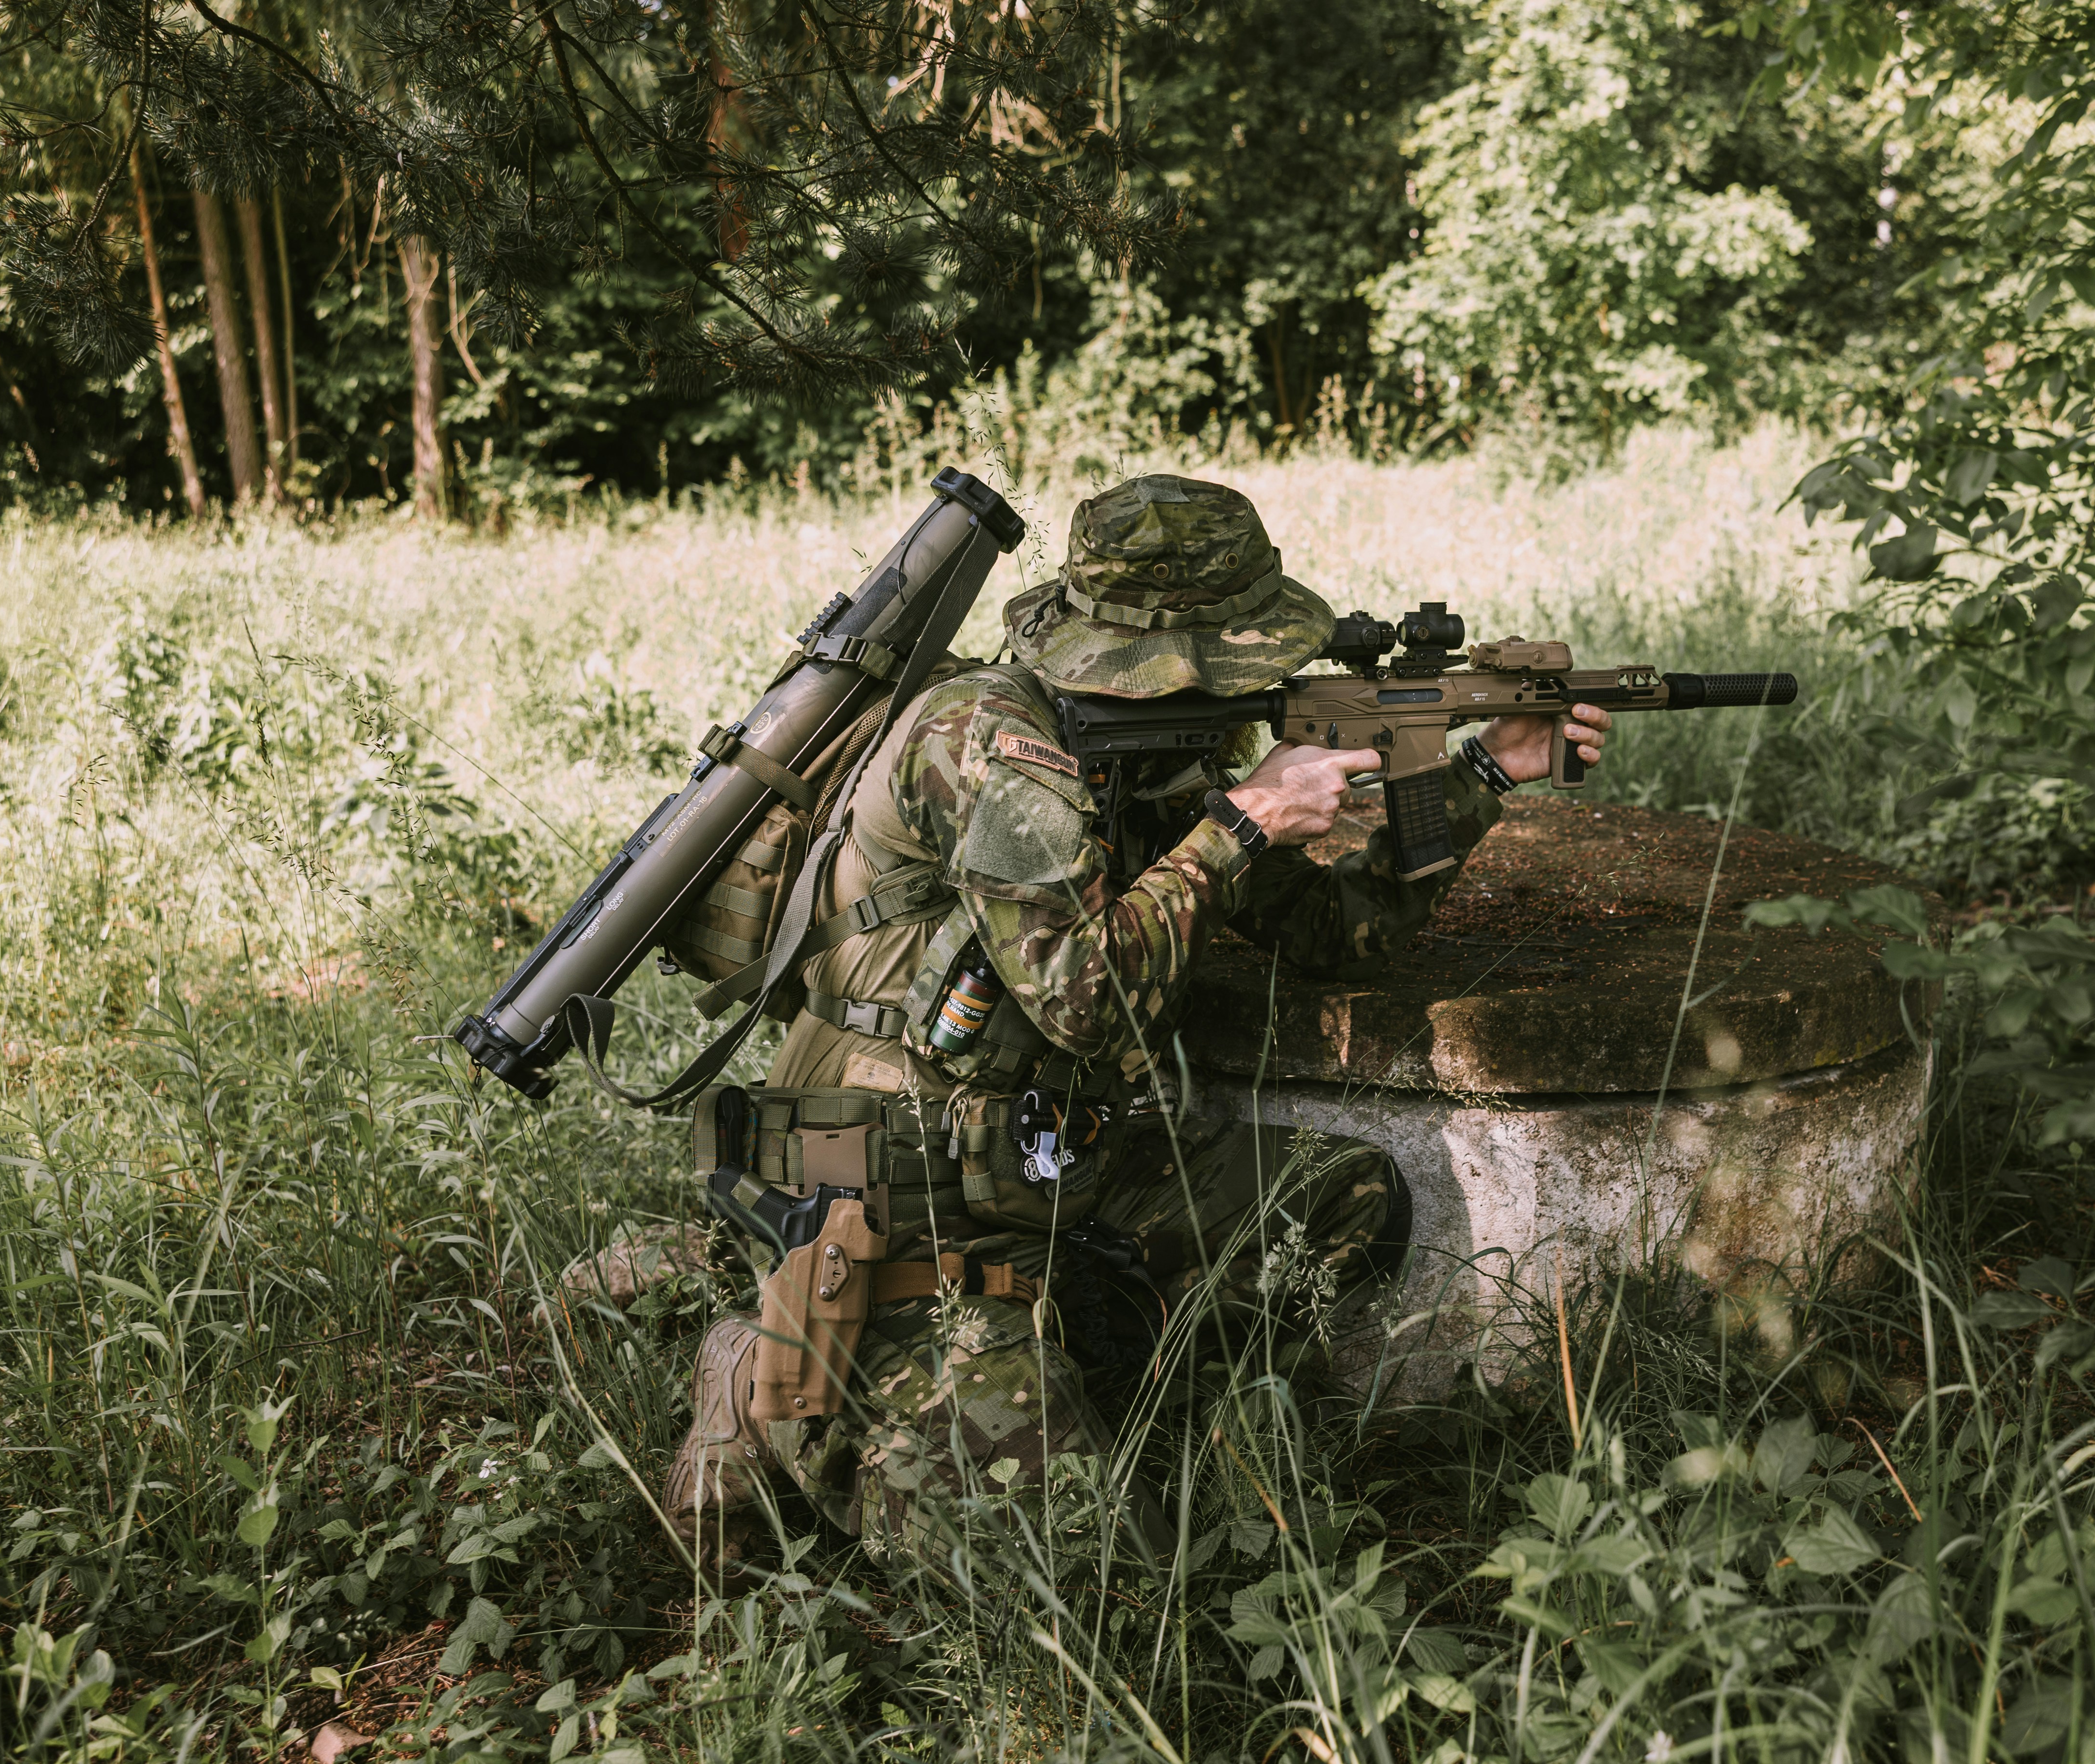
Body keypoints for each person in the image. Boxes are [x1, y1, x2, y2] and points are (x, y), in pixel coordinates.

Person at [665, 472, 1613, 1577]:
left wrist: (1485, 770)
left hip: (1048, 1166)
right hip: (893, 1204)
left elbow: (1325, 932)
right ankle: (764, 1367)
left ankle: (1077, 1359)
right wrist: (1242, 826)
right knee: (1086, 1580)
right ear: (1175, 653)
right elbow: (1083, 1000)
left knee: (1341, 1201)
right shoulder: (993, 747)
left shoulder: (1150, 748)